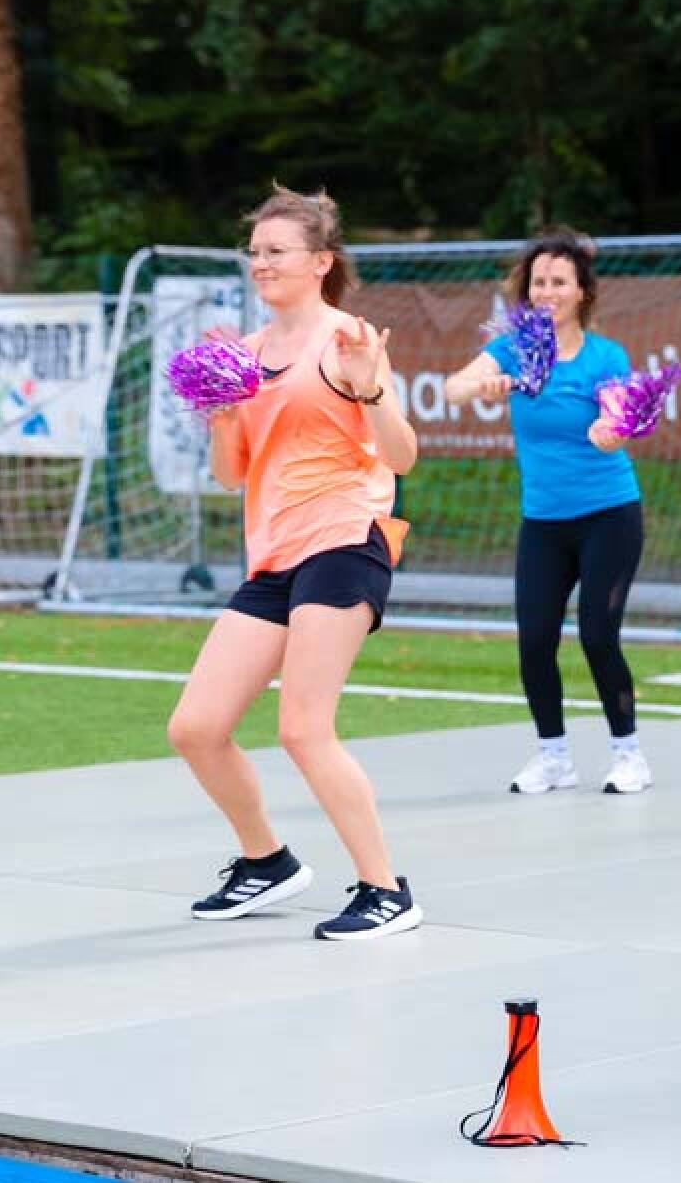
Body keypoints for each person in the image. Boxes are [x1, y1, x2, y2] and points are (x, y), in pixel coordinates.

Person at [166, 186, 424, 940]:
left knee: (304, 729)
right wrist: (223, 417)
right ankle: (266, 861)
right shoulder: (245, 356)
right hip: (274, 553)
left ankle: (387, 890)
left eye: (276, 251)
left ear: (321, 262)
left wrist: (371, 387)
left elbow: (402, 454)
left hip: (345, 537)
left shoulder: (349, 342)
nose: (261, 263)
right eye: (255, 252)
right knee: (196, 727)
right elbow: (232, 475)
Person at [445, 230, 650, 796]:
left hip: (609, 515)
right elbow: (454, 388)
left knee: (598, 635)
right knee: (535, 640)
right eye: (539, 282)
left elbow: (616, 419)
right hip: (543, 523)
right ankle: (553, 756)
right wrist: (481, 385)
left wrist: (609, 430)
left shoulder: (606, 356)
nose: (547, 292)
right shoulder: (513, 349)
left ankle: (628, 753)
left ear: (582, 291)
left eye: (559, 282)